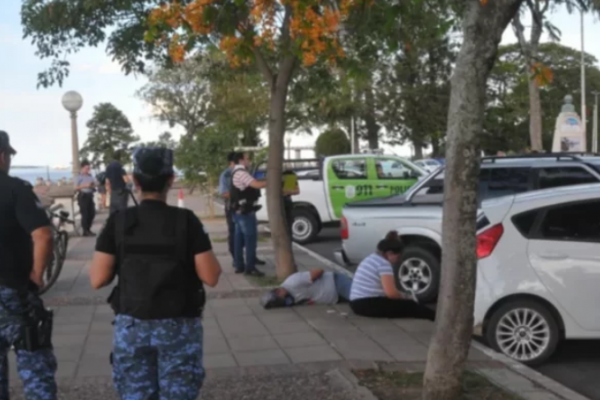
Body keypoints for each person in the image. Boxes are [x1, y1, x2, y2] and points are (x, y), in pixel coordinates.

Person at [90, 147, 222, 399]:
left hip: (132, 326)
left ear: (135, 181)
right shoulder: (186, 221)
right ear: (170, 180)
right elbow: (211, 276)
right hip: (179, 326)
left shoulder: (118, 222)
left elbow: (97, 279)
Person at [0, 130, 58, 400]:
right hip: (14, 292)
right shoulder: (16, 189)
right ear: (2, 156)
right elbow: (43, 235)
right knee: (35, 365)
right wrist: (37, 273)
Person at [349, 230, 435, 320]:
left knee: (409, 305)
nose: (398, 260)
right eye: (397, 256)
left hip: (356, 302)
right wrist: (404, 297)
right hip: (366, 304)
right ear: (389, 253)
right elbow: (391, 294)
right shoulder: (384, 264)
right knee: (411, 306)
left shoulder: (372, 258)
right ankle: (434, 317)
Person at [219, 152, 266, 269]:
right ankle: (245, 265)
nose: (249, 161)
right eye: (247, 159)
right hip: (239, 208)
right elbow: (224, 193)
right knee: (246, 236)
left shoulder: (243, 172)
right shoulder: (230, 174)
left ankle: (243, 262)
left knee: (239, 235)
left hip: (241, 208)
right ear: (237, 161)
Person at [260, 269, 353, 309]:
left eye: (282, 299)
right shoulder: (290, 297)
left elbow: (319, 270)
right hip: (336, 297)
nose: (286, 301)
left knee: (361, 297)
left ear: (278, 291)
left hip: (336, 284)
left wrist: (313, 278)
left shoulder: (293, 282)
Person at [75, 160, 97, 236]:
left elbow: (94, 184)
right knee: (85, 214)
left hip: (90, 196)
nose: (88, 170)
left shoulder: (90, 176)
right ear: (82, 168)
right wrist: (85, 185)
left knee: (92, 213)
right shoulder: (78, 177)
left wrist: (93, 185)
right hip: (83, 196)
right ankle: (85, 231)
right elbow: (75, 187)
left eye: (89, 168)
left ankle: (88, 229)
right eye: (86, 168)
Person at [105, 150, 130, 214]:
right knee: (122, 210)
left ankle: (113, 222)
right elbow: (126, 180)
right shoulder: (120, 167)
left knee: (113, 209)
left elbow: (107, 180)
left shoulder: (109, 167)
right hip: (121, 191)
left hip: (113, 190)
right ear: (120, 157)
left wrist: (109, 189)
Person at [282, 169, 299, 241]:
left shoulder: (289, 175)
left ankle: (288, 239)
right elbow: (296, 191)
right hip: (285, 201)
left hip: (286, 201)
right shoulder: (289, 175)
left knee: (288, 223)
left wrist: (286, 191)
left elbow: (297, 191)